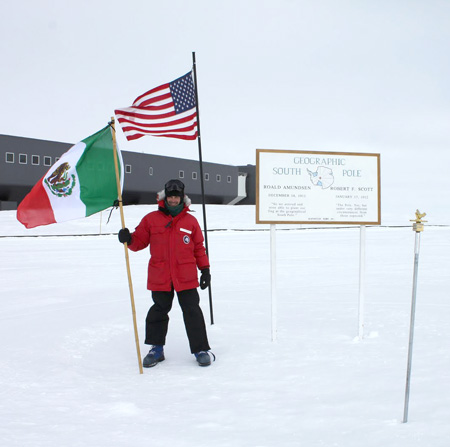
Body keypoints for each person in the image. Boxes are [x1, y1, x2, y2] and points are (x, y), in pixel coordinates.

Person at [118, 179, 214, 367]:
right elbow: (139, 242)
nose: (173, 200)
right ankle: (156, 349)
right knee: (158, 311)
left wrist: (205, 270)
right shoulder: (151, 220)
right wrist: (128, 239)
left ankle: (200, 349)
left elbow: (199, 249)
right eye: (170, 196)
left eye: (176, 197)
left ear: (182, 198)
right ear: (165, 197)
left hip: (185, 276)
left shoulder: (190, 221)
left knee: (192, 311)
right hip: (160, 275)